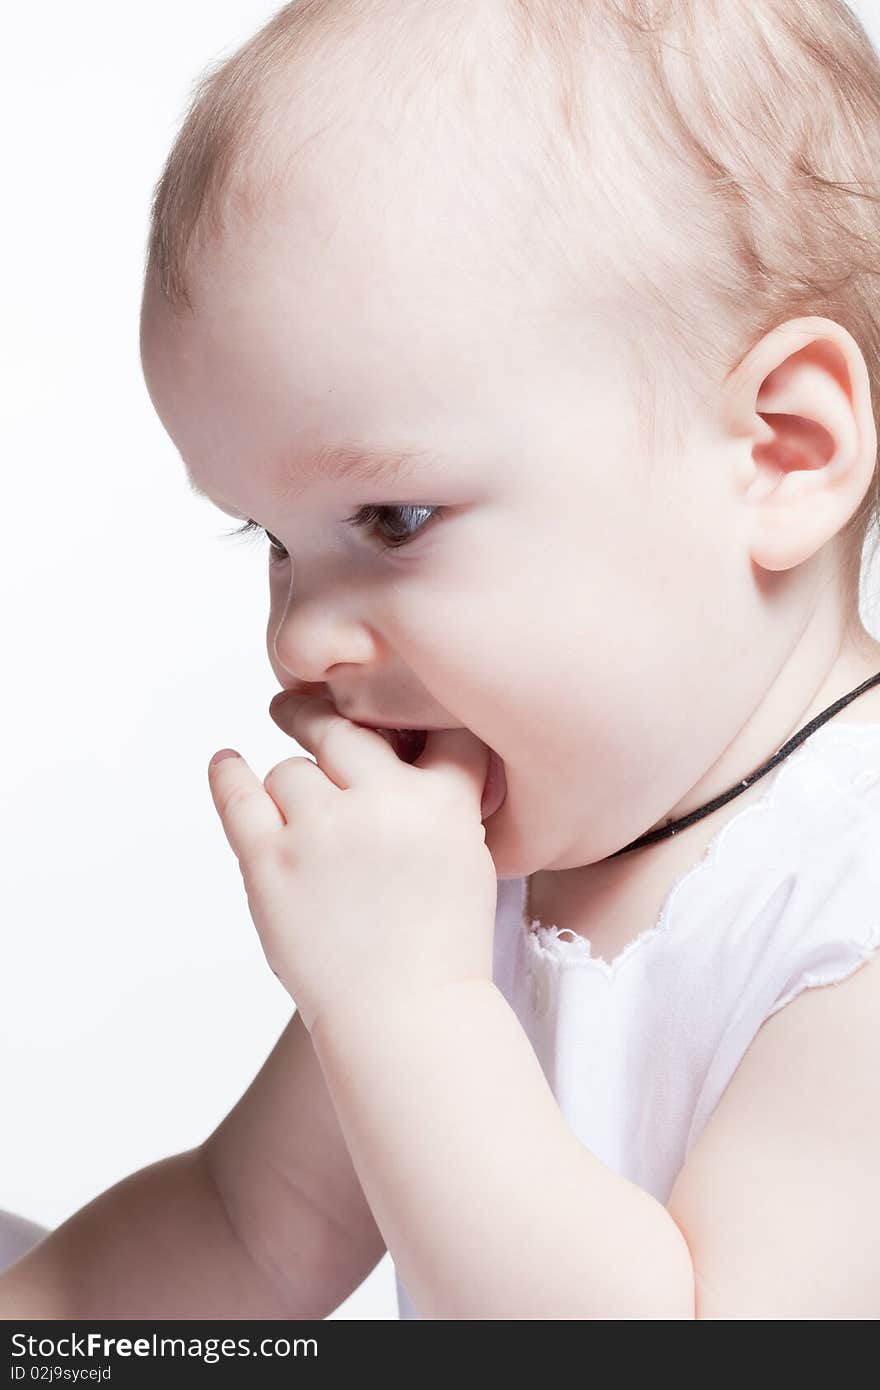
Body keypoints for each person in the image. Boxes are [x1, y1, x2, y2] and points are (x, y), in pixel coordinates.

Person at [5, 0, 880, 1318]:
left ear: (780, 454)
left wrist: (406, 1004)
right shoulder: (478, 881)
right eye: (273, 538)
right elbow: (248, 1229)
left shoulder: (846, 911)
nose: (294, 635)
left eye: (392, 519)